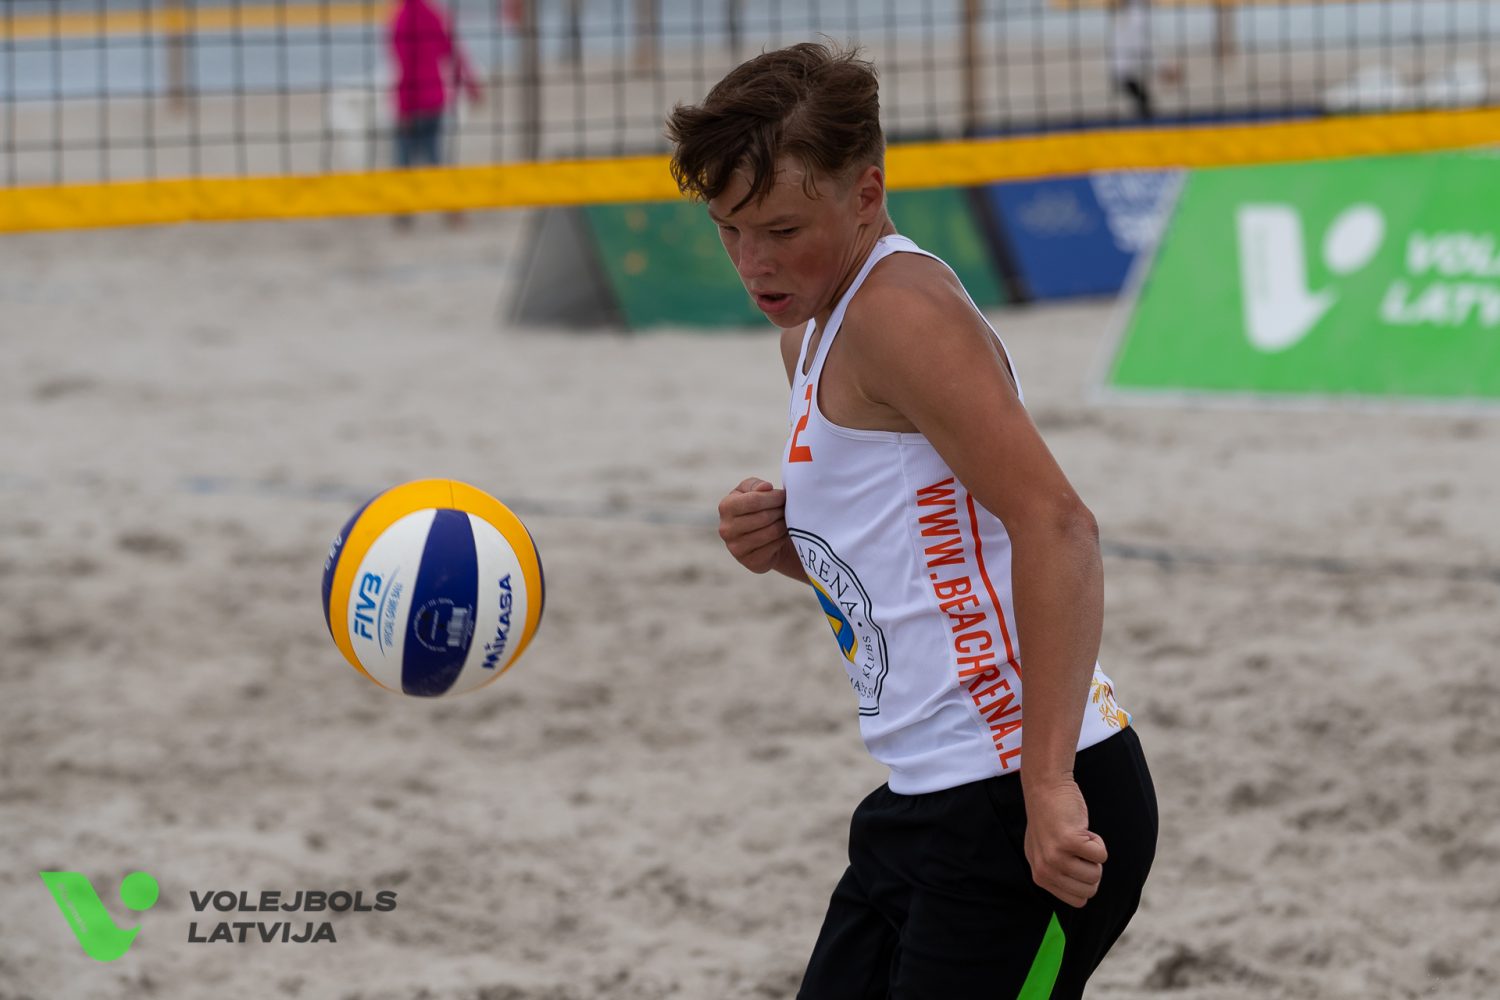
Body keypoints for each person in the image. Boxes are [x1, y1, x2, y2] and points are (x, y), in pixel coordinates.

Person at [666, 43, 1158, 998]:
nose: (753, 262)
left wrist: (1048, 785)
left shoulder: (899, 312)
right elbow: (916, 561)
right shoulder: (812, 333)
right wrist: (790, 549)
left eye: (781, 228)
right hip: (925, 799)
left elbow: (1059, 527)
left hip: (1018, 798)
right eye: (730, 230)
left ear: (867, 193)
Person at [388, 0, 482, 225]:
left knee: (403, 160)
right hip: (434, 99)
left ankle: (403, 212)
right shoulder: (433, 14)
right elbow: (454, 52)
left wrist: (403, 109)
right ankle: (450, 208)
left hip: (414, 102)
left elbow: (406, 69)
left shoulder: (401, 19)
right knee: (435, 159)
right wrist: (470, 84)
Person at [1111, 0, 1155, 120]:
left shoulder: (1136, 15)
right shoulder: (1136, 15)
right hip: (1127, 66)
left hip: (1127, 66)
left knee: (1142, 99)